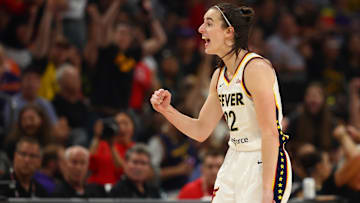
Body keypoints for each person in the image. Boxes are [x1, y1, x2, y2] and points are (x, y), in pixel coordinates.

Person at [150, 3, 292, 203]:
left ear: (229, 32)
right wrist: (167, 110)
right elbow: (200, 131)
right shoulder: (219, 76)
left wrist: (267, 189)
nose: (200, 29)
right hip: (234, 157)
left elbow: (270, 133)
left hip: (263, 158)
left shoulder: (255, 68)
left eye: (208, 24)